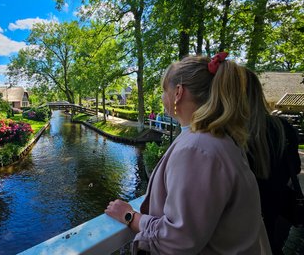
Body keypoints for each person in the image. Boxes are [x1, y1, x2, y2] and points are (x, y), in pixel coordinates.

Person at [105, 53, 271, 254]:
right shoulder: (218, 138)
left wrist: (130, 216)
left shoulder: (197, 149)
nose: (161, 97)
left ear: (178, 93)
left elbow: (177, 240)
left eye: (163, 90)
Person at [244, 68, 302, 254]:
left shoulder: (231, 133)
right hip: (274, 213)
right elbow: (295, 166)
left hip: (241, 222)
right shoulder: (283, 127)